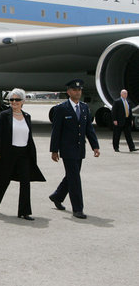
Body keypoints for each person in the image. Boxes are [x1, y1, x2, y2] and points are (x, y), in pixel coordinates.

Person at [0, 88, 45, 221]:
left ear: (23, 101)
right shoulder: (4, 115)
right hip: (8, 152)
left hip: (24, 154)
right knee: (3, 180)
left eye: (17, 100)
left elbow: (28, 136)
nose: (14, 102)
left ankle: (24, 211)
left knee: (25, 182)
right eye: (11, 100)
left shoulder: (27, 117)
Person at [49, 79, 100, 219]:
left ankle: (57, 196)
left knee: (72, 176)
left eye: (79, 90)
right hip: (67, 149)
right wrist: (54, 150)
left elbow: (89, 129)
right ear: (68, 92)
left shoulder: (84, 108)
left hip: (79, 148)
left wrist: (95, 146)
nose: (78, 92)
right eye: (75, 90)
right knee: (75, 179)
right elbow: (56, 131)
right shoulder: (61, 108)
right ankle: (78, 209)